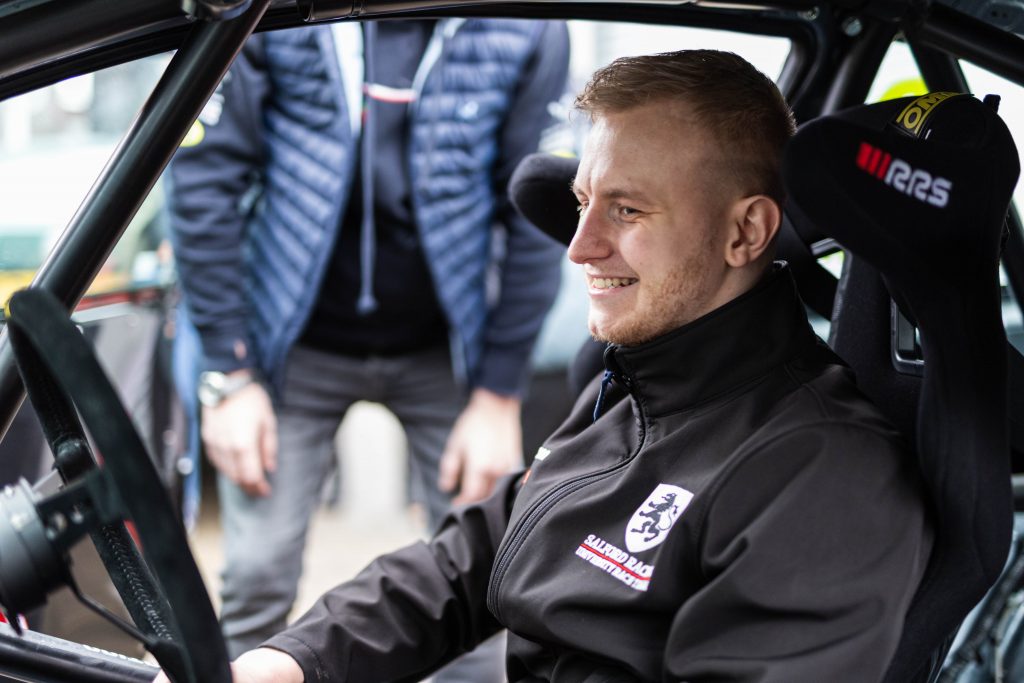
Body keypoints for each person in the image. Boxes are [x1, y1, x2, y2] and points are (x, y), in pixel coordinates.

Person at [159, 48, 932, 683]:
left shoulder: (823, 475)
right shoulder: (627, 391)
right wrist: (286, 663)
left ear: (746, 232)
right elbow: (466, 562)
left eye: (626, 211)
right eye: (583, 200)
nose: (579, 245)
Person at [167, 17, 570, 678]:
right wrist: (231, 374)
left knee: (492, 577)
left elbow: (537, 216)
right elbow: (203, 178)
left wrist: (499, 393)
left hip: (447, 349)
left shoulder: (526, 28)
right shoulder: (274, 14)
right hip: (290, 349)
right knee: (256, 573)